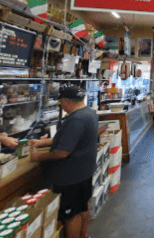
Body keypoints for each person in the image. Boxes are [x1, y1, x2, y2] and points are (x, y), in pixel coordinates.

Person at [30, 86, 98, 238]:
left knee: (70, 215)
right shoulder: (89, 113)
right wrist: (41, 143)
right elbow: (69, 139)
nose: (61, 105)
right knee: (82, 206)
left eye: (61, 102)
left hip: (71, 176)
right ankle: (84, 234)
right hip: (84, 171)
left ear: (67, 101)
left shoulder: (76, 119)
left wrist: (37, 157)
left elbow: (62, 152)